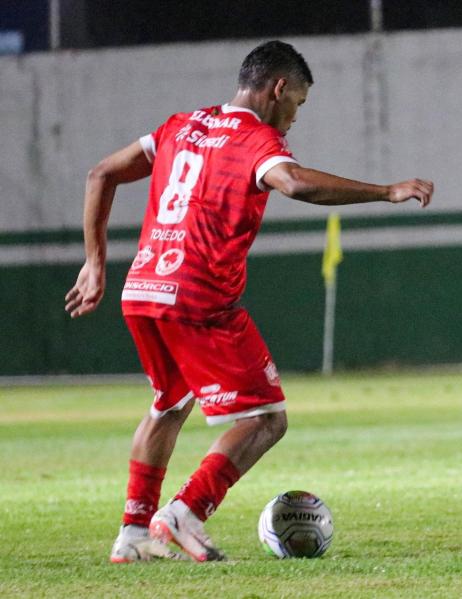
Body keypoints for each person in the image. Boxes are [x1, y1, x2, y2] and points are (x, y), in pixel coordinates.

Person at [65, 40, 433, 563]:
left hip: (144, 290)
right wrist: (385, 191)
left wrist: (95, 262)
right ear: (278, 88)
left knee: (169, 404)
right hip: (198, 296)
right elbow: (295, 183)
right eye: (298, 104)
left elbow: (100, 173)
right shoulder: (254, 138)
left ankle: (131, 533)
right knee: (266, 419)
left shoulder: (181, 124)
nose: (294, 117)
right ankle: (183, 513)